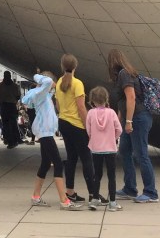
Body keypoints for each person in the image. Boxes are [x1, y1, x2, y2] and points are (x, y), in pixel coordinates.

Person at [107, 48, 158, 203]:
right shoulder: (126, 74)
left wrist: (128, 122)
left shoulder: (124, 74)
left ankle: (151, 192)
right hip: (132, 118)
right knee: (124, 151)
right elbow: (123, 102)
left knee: (141, 154)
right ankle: (130, 188)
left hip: (138, 118)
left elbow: (131, 98)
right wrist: (119, 121)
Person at [22, 72, 72, 209]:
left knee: (45, 164)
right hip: (45, 133)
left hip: (46, 133)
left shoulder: (44, 95)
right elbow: (48, 80)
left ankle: (36, 196)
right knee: (58, 164)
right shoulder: (41, 92)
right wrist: (43, 78)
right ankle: (64, 199)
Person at [55, 54, 98, 207]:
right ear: (75, 67)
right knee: (87, 158)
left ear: (62, 66)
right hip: (77, 125)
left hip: (63, 122)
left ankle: (70, 192)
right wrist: (88, 127)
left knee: (71, 158)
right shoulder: (77, 83)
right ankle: (93, 193)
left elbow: (58, 106)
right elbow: (81, 107)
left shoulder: (59, 82)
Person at [86, 85, 124, 211]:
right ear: (106, 98)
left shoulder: (90, 113)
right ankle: (112, 202)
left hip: (96, 148)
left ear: (92, 100)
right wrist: (114, 137)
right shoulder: (111, 112)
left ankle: (95, 199)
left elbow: (89, 130)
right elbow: (119, 129)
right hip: (110, 148)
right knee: (111, 175)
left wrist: (94, 138)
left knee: (97, 174)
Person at [0, 71, 22, 149]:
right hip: (12, 105)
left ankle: (8, 139)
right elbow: (18, 96)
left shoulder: (0, 85)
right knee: (13, 123)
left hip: (4, 106)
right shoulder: (15, 86)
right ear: (10, 76)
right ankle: (15, 139)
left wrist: (0, 102)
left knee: (6, 124)